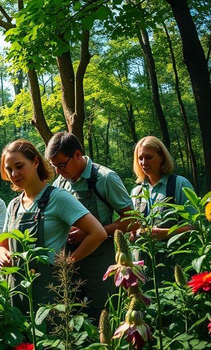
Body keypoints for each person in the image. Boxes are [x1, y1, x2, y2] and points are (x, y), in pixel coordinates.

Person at [0, 139, 107, 317]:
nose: (14, 173)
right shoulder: (13, 206)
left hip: (50, 294)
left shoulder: (58, 198)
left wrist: (68, 262)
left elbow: (98, 233)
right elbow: (3, 243)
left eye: (19, 166)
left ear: (35, 162)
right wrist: (0, 254)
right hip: (17, 293)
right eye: (9, 169)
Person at [46, 131, 136, 320]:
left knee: (103, 314)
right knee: (72, 315)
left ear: (77, 155)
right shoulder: (61, 182)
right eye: (54, 167)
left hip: (100, 262)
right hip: (71, 261)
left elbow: (132, 221)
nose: (59, 171)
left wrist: (92, 233)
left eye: (61, 165)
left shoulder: (105, 178)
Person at [130, 136, 194, 239]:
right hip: (142, 254)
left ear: (162, 157)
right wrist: (132, 234)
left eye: (149, 157)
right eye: (140, 158)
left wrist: (168, 233)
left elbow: (195, 226)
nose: (144, 162)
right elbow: (132, 227)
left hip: (174, 253)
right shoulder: (136, 192)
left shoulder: (179, 184)